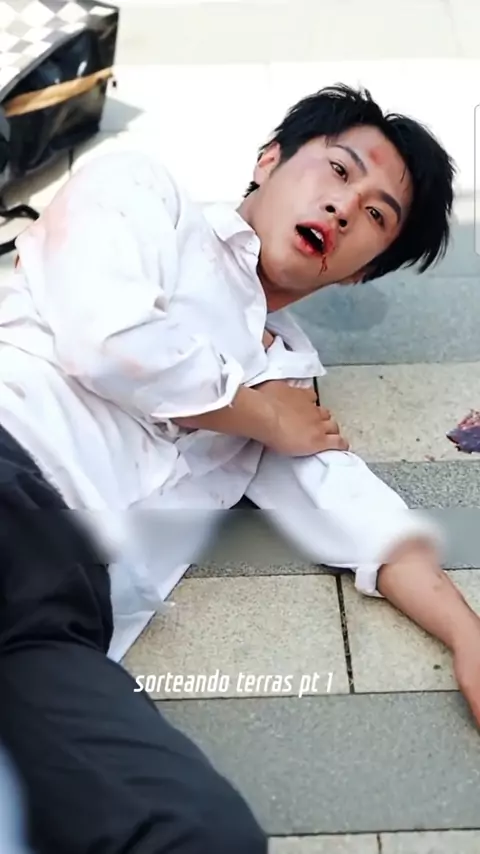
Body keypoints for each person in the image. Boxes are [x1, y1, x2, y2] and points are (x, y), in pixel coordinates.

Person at [0, 82, 478, 854]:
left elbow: (358, 514)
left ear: (361, 273)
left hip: (57, 623)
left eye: (377, 217)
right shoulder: (145, 196)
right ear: (268, 160)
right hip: (10, 460)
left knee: (199, 832)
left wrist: (467, 636)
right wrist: (258, 414)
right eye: (339, 170)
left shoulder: (288, 388)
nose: (345, 208)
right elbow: (105, 337)